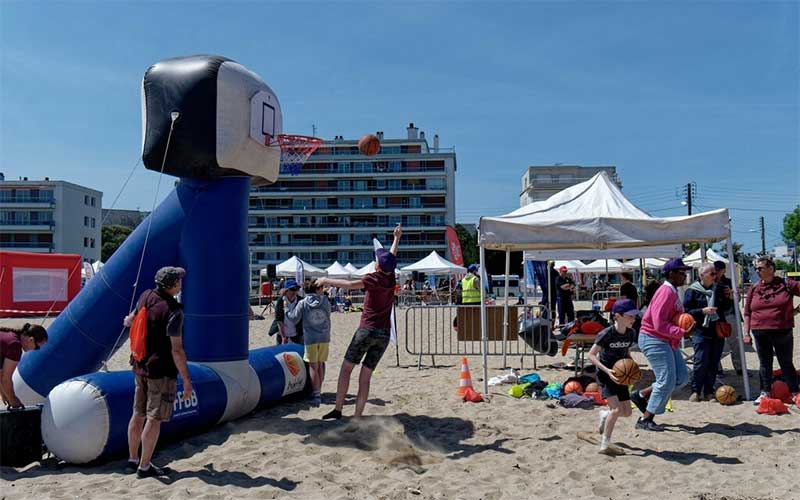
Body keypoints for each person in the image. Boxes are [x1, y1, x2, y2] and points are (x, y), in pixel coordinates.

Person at [317, 225, 402, 420]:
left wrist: (326, 280)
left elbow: (348, 285)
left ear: (377, 266)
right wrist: (396, 239)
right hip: (384, 334)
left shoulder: (372, 278)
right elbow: (390, 260)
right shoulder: (390, 279)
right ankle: (357, 417)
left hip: (367, 330)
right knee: (365, 376)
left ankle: (338, 409)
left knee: (346, 368)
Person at [123, 266, 191, 478]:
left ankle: (132, 459)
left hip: (139, 365)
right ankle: (145, 467)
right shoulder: (174, 310)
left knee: (138, 413)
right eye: (179, 280)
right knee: (154, 418)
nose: (181, 283)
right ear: (173, 285)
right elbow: (177, 350)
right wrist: (187, 381)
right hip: (161, 371)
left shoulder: (146, 295)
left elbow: (130, 319)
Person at [630, 258, 692, 431]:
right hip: (653, 338)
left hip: (664, 339)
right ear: (671, 274)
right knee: (666, 380)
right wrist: (682, 332)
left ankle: (641, 395)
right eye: (681, 272)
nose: (685, 275)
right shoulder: (666, 292)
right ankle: (645, 419)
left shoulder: (672, 291)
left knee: (682, 378)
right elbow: (658, 323)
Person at [743, 256, 800, 404]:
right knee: (764, 363)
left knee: (786, 362)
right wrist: (746, 333)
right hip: (760, 331)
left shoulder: (786, 284)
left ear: (771, 269)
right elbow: (747, 312)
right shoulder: (754, 288)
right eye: (756, 268)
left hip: (782, 330)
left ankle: (794, 392)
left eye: (760, 268)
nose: (757, 271)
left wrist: (796, 311)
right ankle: (765, 392)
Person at [588, 299, 639, 455]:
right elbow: (591, 355)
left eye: (634, 316)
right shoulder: (606, 333)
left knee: (627, 412)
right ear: (618, 316)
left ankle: (604, 415)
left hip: (621, 375)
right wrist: (608, 370)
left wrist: (633, 367)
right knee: (616, 410)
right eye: (630, 316)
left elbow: (627, 353)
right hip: (605, 374)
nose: (633, 319)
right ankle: (605, 443)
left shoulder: (631, 333)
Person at [684, 263, 728, 402]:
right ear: (702, 275)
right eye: (712, 274)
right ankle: (696, 391)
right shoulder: (692, 291)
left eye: (715, 273)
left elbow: (726, 308)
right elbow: (687, 312)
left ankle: (709, 391)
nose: (715, 276)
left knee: (713, 362)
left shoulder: (719, 288)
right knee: (700, 361)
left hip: (717, 330)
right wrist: (703, 311)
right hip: (700, 330)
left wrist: (731, 298)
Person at [287, 280, 331, 407]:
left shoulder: (303, 302)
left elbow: (294, 318)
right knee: (321, 363)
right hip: (324, 336)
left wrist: (287, 308)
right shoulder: (325, 301)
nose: (322, 290)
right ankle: (319, 390)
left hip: (310, 337)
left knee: (313, 366)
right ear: (317, 289)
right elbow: (328, 316)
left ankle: (316, 393)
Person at [0, 323, 48, 408]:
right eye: (37, 347)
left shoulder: (10, 336)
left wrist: (4, 394)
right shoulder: (14, 346)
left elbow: (1, 376)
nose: (35, 350)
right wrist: (14, 401)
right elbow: (5, 379)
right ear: (31, 340)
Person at [713, 260, 742, 378]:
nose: (717, 272)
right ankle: (718, 369)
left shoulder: (729, 282)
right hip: (716, 317)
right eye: (715, 270)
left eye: (719, 270)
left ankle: (739, 368)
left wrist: (732, 295)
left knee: (735, 343)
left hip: (730, 315)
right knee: (716, 344)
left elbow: (737, 299)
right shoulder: (709, 282)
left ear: (724, 270)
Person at [268, 279, 304, 345]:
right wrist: (283, 337)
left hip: (297, 334)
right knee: (281, 354)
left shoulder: (301, 300)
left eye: (296, 289)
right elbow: (279, 320)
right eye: (292, 289)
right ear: (286, 291)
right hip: (283, 334)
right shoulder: (281, 301)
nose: (294, 292)